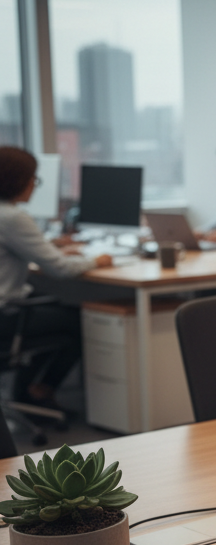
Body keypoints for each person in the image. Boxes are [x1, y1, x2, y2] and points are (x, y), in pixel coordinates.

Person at [0, 147, 114, 418]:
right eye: (33, 180)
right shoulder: (13, 217)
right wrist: (97, 261)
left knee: (53, 308)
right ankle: (37, 390)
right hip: (6, 316)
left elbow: (14, 248)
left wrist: (49, 244)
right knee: (77, 321)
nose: (34, 186)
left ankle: (27, 391)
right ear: (19, 181)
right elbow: (60, 269)